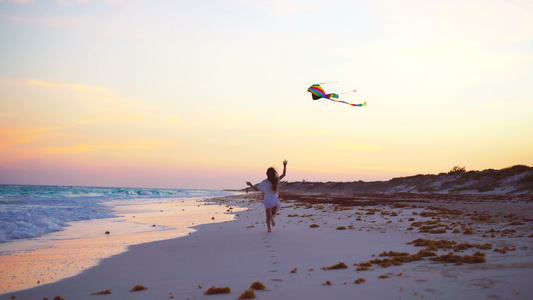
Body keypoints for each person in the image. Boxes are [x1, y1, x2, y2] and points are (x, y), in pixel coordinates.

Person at [246, 160, 287, 233]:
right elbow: (283, 174)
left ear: (267, 174)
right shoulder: (275, 180)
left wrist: (250, 184)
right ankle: (272, 217)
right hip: (274, 199)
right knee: (274, 213)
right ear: (274, 173)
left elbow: (256, 189)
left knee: (267, 215)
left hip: (267, 200)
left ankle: (269, 228)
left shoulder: (264, 182)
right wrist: (284, 165)